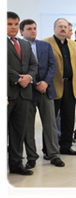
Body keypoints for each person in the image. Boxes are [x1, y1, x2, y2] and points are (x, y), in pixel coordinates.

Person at [20, 19, 65, 168]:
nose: (33, 31)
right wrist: (33, 83)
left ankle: (53, 155)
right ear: (22, 32)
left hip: (45, 90)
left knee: (50, 124)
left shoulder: (45, 45)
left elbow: (53, 65)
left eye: (34, 28)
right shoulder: (18, 47)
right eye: (29, 29)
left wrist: (45, 82)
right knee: (28, 126)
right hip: (27, 91)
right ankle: (31, 157)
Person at [44, 18, 76, 156]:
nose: (63, 29)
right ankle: (48, 149)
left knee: (68, 118)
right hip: (53, 87)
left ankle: (66, 146)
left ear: (68, 29)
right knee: (50, 120)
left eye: (65, 27)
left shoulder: (73, 44)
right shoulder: (46, 43)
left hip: (71, 86)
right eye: (60, 26)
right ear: (54, 28)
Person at [5, 11, 38, 175]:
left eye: (16, 24)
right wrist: (18, 79)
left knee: (19, 131)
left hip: (24, 95)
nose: (13, 27)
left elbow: (34, 64)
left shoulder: (24, 44)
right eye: (9, 24)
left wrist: (29, 77)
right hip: (7, 93)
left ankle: (16, 164)